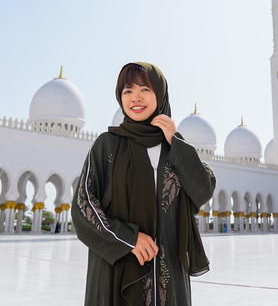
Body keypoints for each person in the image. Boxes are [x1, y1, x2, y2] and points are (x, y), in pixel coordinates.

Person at [72, 62, 216, 306]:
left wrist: (177, 141)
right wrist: (128, 238)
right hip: (117, 268)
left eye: (144, 89)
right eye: (127, 91)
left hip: (169, 269)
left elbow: (203, 189)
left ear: (159, 94)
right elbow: (82, 203)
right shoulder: (108, 145)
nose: (135, 98)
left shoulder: (174, 147)